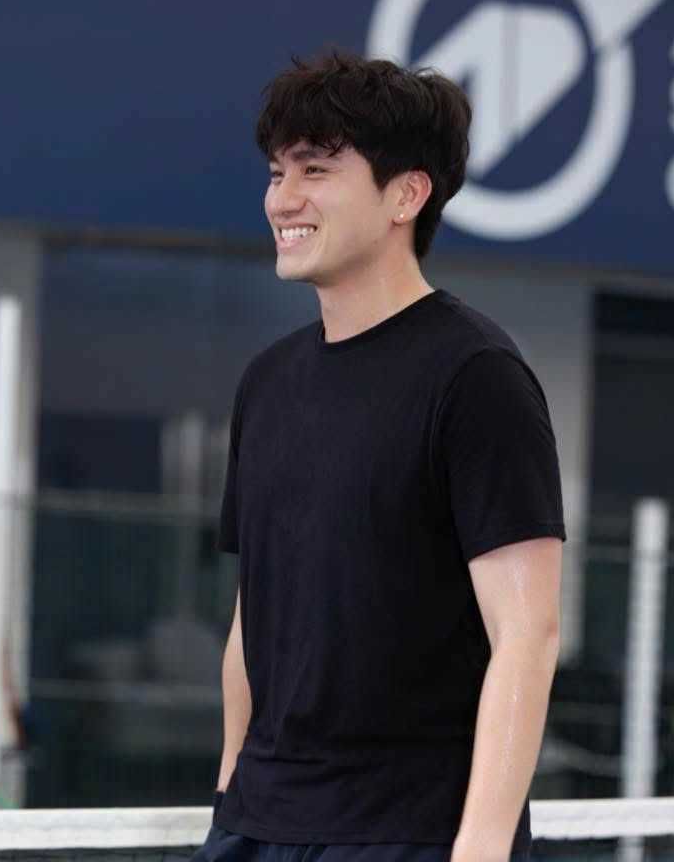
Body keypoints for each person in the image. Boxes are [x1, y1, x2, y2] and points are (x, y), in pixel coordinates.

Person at [193, 50, 566, 862]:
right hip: (257, 822)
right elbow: (254, 616)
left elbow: (527, 635)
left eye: (316, 169)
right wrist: (228, 792)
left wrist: (482, 845)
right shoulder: (268, 382)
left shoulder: (476, 377)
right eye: (276, 172)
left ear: (406, 194)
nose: (282, 199)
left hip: (409, 831)